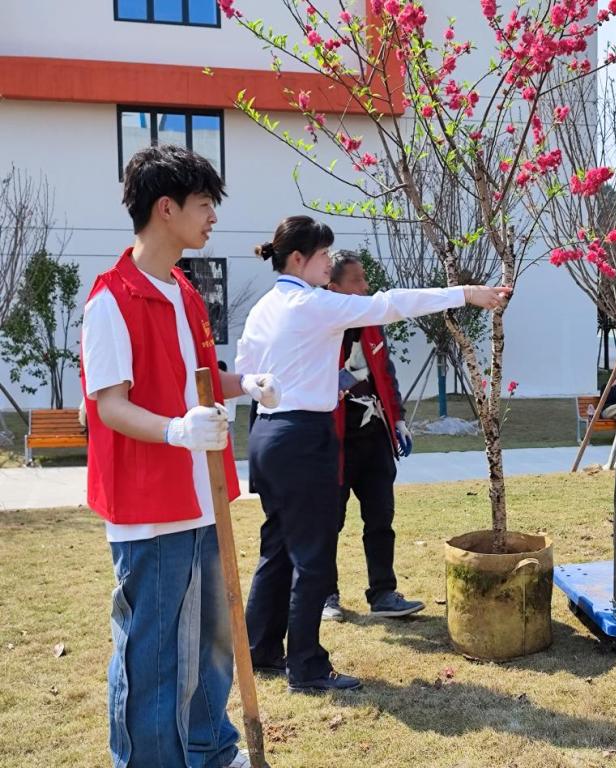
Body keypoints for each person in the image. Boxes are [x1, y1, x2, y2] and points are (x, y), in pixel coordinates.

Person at [236, 216, 509, 695]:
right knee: (312, 556)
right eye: (323, 255)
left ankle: (261, 646)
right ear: (298, 259)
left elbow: (245, 369)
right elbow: (390, 304)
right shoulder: (312, 303)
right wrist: (464, 294)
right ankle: (306, 666)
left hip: (266, 433)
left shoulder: (265, 307)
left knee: (277, 546)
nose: (329, 264)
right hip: (303, 436)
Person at [80, 144, 280, 768]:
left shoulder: (184, 292)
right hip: (149, 506)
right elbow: (109, 406)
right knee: (155, 655)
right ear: (165, 208)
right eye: (204, 204)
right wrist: (175, 431)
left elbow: (202, 378)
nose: (213, 216)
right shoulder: (111, 300)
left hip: (203, 494)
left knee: (213, 640)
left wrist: (246, 384)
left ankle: (211, 749)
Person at [321, 251, 423, 621]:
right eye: (356, 281)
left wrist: (398, 421)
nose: (366, 287)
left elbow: (386, 373)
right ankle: (325, 595)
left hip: (374, 438)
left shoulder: (372, 322)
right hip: (332, 442)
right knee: (327, 523)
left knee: (381, 518)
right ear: (333, 287)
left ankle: (383, 594)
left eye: (365, 279)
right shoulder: (318, 326)